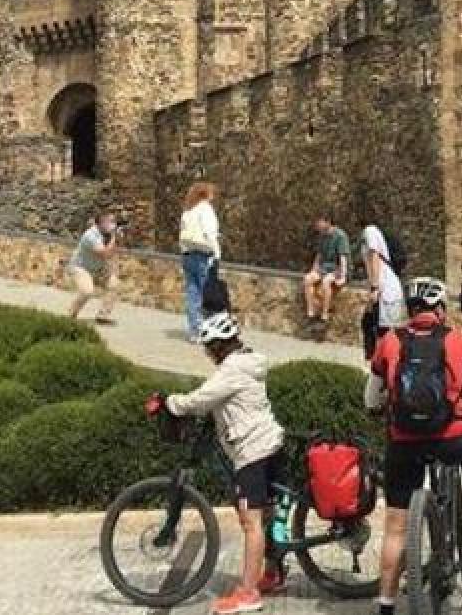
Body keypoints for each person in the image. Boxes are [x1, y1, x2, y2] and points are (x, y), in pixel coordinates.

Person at [364, 279, 462, 615]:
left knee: (396, 527)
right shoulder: (459, 340)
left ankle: (386, 604)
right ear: (440, 309)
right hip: (450, 437)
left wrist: (378, 407)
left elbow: (370, 397)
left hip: (402, 443)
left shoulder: (389, 342)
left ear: (410, 310)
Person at [164, 313, 286, 614]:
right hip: (269, 442)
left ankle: (248, 594)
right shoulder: (249, 361)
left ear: (219, 346)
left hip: (252, 451)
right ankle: (272, 573)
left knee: (251, 521)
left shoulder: (231, 370)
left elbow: (201, 399)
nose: (207, 353)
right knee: (267, 512)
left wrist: (170, 402)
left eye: (209, 347)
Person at [179, 182, 222, 343]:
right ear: (205, 194)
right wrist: (217, 253)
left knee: (192, 294)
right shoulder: (206, 210)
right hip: (204, 255)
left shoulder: (188, 211)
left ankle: (195, 331)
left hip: (188, 255)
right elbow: (210, 232)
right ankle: (209, 331)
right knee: (209, 294)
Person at [359, 223, 407, 361]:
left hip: (385, 288)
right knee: (373, 323)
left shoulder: (370, 230)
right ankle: (379, 360)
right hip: (385, 287)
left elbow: (374, 256)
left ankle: (381, 361)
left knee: (378, 327)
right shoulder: (371, 232)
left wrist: (374, 287)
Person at [68, 211, 122, 326]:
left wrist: (116, 238)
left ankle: (102, 316)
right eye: (111, 222)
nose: (114, 224)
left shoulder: (105, 233)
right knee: (87, 291)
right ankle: (70, 316)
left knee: (114, 285)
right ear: (101, 223)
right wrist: (113, 237)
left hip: (97, 267)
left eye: (114, 221)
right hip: (81, 268)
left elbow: (112, 253)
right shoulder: (90, 235)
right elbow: (105, 254)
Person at [302, 215, 351, 330]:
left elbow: (343, 257)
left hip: (337, 268)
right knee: (308, 279)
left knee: (326, 282)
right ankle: (311, 314)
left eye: (320, 222)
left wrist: (343, 276)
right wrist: (313, 270)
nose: (317, 225)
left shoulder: (340, 236)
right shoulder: (322, 236)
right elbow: (319, 255)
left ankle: (324, 316)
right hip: (324, 267)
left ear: (328, 222)